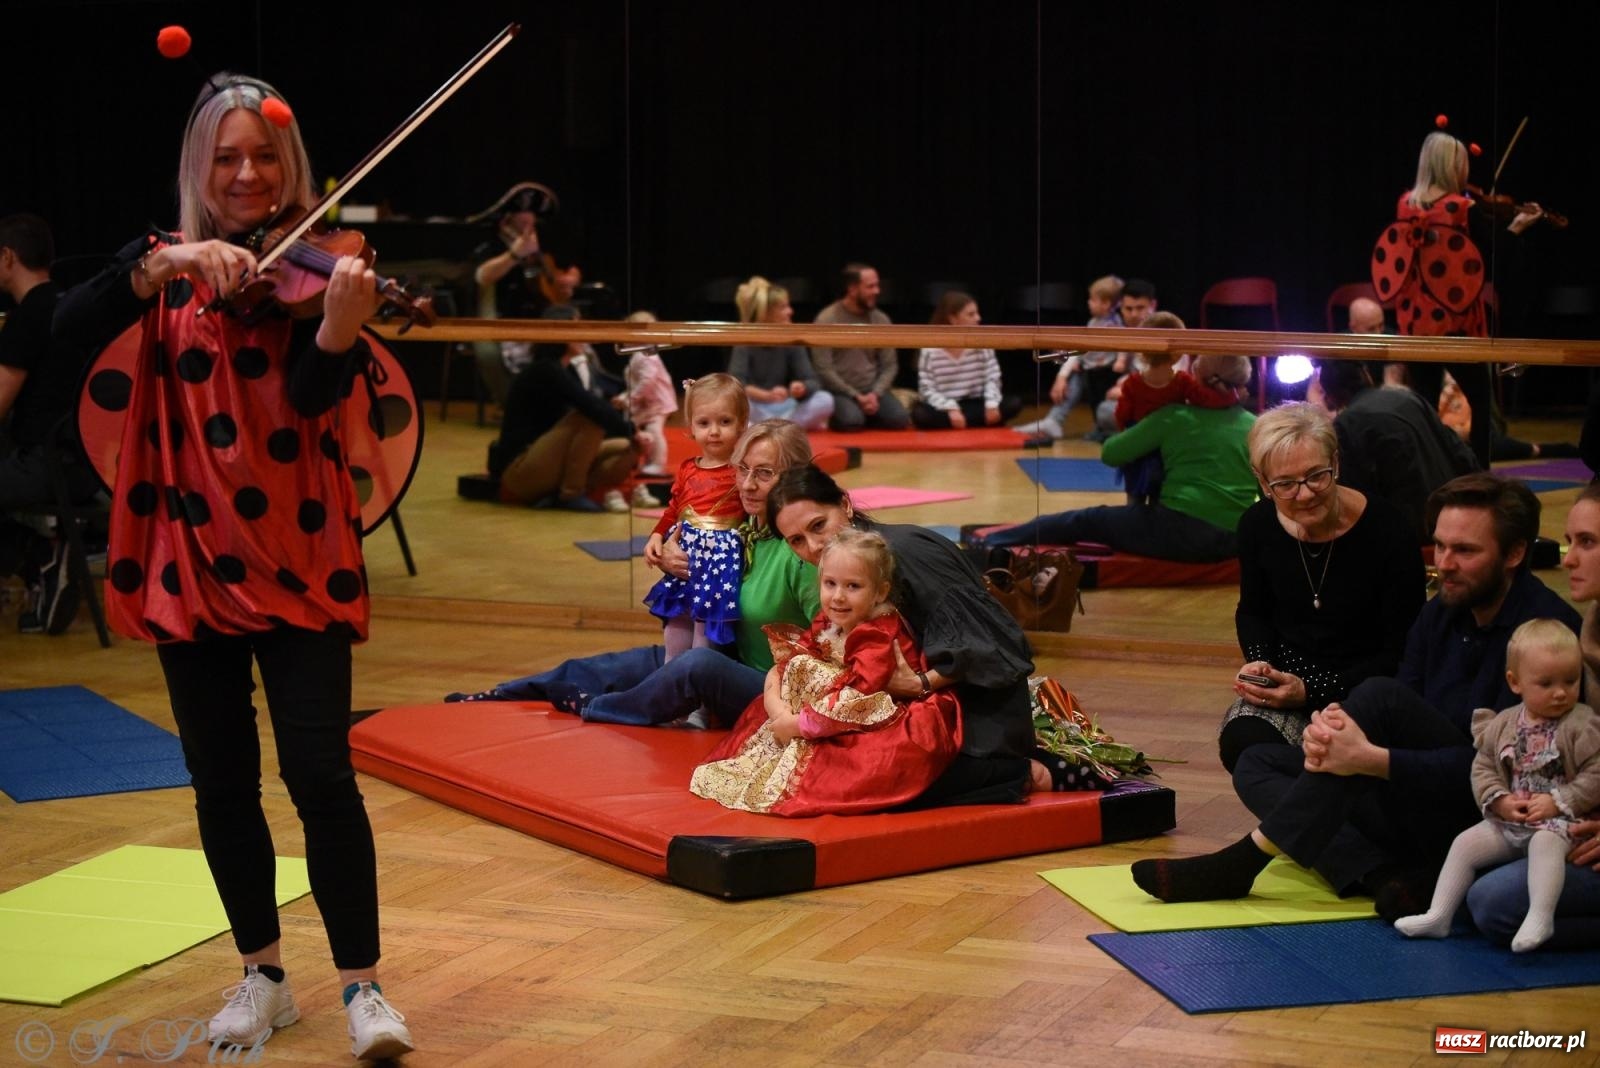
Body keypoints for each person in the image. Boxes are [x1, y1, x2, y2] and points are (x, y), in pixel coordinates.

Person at [51, 73, 412, 1059]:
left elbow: (306, 401)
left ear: (288, 165)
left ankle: (363, 990)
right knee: (221, 782)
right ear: (198, 169)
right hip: (188, 555)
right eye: (227, 157)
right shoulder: (162, 267)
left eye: (264, 156)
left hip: (299, 550)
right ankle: (261, 974)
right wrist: (152, 272)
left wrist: (338, 328)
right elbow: (61, 330)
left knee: (321, 775)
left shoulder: (325, 264)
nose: (248, 174)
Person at [1131, 473, 1580, 924]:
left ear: (1515, 553)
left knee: (1378, 697)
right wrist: (1337, 733)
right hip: (1416, 798)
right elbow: (1407, 701)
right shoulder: (1441, 610)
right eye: (1440, 546)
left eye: (1464, 551)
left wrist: (1373, 760)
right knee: (1259, 763)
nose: (1444, 563)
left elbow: (1504, 773)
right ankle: (1383, 875)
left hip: (1489, 815)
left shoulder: (1546, 635)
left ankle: (1245, 862)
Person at [449, 420, 821, 727]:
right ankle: (489, 698)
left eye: (765, 473)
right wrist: (670, 551)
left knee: (695, 664)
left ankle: (595, 708)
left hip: (765, 691)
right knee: (612, 665)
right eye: (742, 470)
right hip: (725, 655)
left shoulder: (804, 550)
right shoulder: (741, 530)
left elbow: (833, 657)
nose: (748, 484)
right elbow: (694, 527)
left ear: (794, 477)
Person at [767, 466, 1067, 804]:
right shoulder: (848, 563)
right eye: (797, 541)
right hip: (904, 708)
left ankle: (1017, 773)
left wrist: (921, 684)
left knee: (849, 776)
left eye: (818, 525)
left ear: (845, 505)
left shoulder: (906, 554)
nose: (814, 545)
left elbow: (998, 646)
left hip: (975, 723)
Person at [690, 528, 963, 815]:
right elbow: (795, 657)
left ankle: (802, 744)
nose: (838, 597)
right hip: (840, 705)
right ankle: (792, 732)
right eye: (830, 583)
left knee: (835, 754)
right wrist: (777, 708)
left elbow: (858, 700)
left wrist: (795, 725)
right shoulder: (831, 619)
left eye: (853, 586)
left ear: (880, 591)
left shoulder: (877, 635)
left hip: (887, 712)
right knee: (800, 665)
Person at [1221, 403, 1423, 772]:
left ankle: (1309, 821)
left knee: (1334, 755)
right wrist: (1261, 665)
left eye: (1317, 475)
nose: (1305, 494)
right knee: (1244, 745)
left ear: (1336, 462)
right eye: (1285, 484)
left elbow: (1402, 649)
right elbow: (1253, 611)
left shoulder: (1388, 530)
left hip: (1367, 684)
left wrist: (1311, 689)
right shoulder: (1256, 525)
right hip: (1286, 678)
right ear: (1263, 483)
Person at [1397, 619, 1599, 951]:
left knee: (1544, 845)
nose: (1561, 692)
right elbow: (1484, 767)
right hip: (1512, 819)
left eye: (1571, 680)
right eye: (1546, 683)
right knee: (1464, 843)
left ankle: (1541, 915)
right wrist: (1499, 800)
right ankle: (1439, 915)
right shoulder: (1504, 722)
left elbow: (1596, 773)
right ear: (1515, 682)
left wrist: (1560, 800)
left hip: (1560, 823)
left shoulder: (1582, 724)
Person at [1467, 487, 1600, 949]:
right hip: (1572, 819)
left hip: (1580, 823)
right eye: (1571, 540)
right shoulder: (1589, 629)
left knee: (1492, 904)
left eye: (1587, 542)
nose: (1568, 559)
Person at [976, 355, 1257, 564]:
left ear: (1194, 379)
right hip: (1236, 539)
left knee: (1085, 520)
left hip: (1180, 533)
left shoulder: (1175, 417)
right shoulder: (1254, 425)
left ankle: (990, 542)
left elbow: (1111, 453)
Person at [1372, 127, 1542, 466]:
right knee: (1480, 402)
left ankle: (1428, 466)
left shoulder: (1405, 204)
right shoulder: (1461, 207)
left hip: (1416, 323)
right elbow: (1489, 255)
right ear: (1453, 166)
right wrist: (1518, 226)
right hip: (1457, 320)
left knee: (1423, 401)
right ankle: (1479, 470)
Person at [0, 213, 97, 635]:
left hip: (46, 468)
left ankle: (38, 556)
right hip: (86, 466)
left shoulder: (26, 317)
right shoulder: (73, 307)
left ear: (7, 258)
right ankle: (44, 562)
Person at [487, 304, 641, 512]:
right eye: (577, 327)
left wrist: (634, 435)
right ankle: (571, 493)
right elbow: (592, 408)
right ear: (561, 334)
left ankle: (563, 494)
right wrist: (632, 429)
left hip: (546, 459)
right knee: (590, 417)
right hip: (519, 470)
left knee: (628, 447)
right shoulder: (545, 369)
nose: (584, 334)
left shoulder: (564, 369)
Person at [642, 374, 749, 658]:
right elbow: (674, 508)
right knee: (675, 627)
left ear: (742, 423)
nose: (714, 431)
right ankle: (670, 687)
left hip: (718, 566)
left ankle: (701, 696)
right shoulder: (688, 468)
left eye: (724, 422)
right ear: (690, 426)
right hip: (685, 557)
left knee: (705, 635)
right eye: (704, 423)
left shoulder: (742, 469)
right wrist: (656, 535)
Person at [1316, 359, 1478, 543]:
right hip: (1455, 508)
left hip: (1414, 530)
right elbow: (1460, 452)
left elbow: (1355, 497)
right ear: (1366, 375)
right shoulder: (1407, 397)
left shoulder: (1348, 423)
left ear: (1330, 395)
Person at [1107, 311, 1240, 503]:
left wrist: (1127, 436)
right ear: (1178, 352)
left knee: (1134, 497)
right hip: (1167, 450)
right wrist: (1232, 396)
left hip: (1139, 447)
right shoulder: (1182, 382)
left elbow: (1122, 414)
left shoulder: (1132, 383)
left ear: (1141, 350)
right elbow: (1207, 400)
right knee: (1159, 496)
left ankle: (1132, 527)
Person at [1013, 274, 1123, 444]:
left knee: (1092, 389)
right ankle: (1055, 420)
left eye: (1092, 300)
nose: (1088, 303)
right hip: (1090, 369)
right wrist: (1070, 367)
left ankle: (1095, 427)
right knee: (1075, 372)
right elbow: (1084, 349)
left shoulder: (1115, 325)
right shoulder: (1094, 322)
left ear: (1106, 303)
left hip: (1106, 374)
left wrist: (1119, 361)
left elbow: (1120, 349)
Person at [811, 262, 910, 431]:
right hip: (841, 391)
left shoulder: (881, 320)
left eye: (877, 286)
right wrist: (855, 396)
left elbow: (890, 365)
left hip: (873, 390)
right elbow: (823, 369)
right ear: (852, 289)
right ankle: (857, 413)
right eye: (870, 287)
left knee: (899, 419)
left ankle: (867, 411)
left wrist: (875, 394)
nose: (877, 291)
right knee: (851, 422)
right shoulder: (827, 319)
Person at [728, 276, 834, 429]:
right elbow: (736, 384)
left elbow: (812, 381)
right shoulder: (745, 342)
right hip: (755, 406)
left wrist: (800, 388)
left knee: (825, 400)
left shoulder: (792, 340)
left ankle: (764, 428)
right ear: (766, 314)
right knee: (733, 402)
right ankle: (784, 428)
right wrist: (766, 396)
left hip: (786, 405)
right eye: (783, 307)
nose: (790, 311)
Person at [911, 291, 1020, 429]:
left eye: (977, 313)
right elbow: (926, 389)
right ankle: (972, 423)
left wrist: (991, 405)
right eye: (971, 314)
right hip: (946, 406)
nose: (978, 318)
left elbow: (993, 378)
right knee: (920, 414)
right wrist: (951, 409)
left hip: (977, 403)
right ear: (953, 319)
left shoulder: (983, 344)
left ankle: (970, 422)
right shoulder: (930, 350)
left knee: (1014, 403)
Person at [618, 310, 677, 478]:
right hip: (648, 401)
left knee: (654, 430)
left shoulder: (645, 356)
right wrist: (625, 396)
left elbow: (647, 382)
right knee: (644, 429)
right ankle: (646, 461)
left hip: (656, 402)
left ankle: (657, 464)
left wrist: (631, 397)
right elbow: (637, 383)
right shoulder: (640, 355)